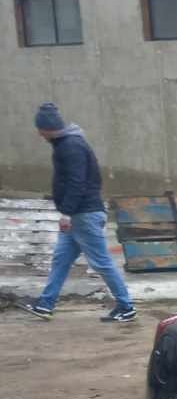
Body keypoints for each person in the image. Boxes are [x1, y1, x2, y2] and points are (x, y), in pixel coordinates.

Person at [25, 102, 136, 325]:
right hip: (79, 214)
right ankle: (45, 304)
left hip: (82, 214)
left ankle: (126, 306)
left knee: (102, 262)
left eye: (40, 129)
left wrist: (66, 212)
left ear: (47, 128)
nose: (38, 134)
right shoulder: (66, 144)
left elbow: (78, 182)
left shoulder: (71, 147)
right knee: (61, 259)